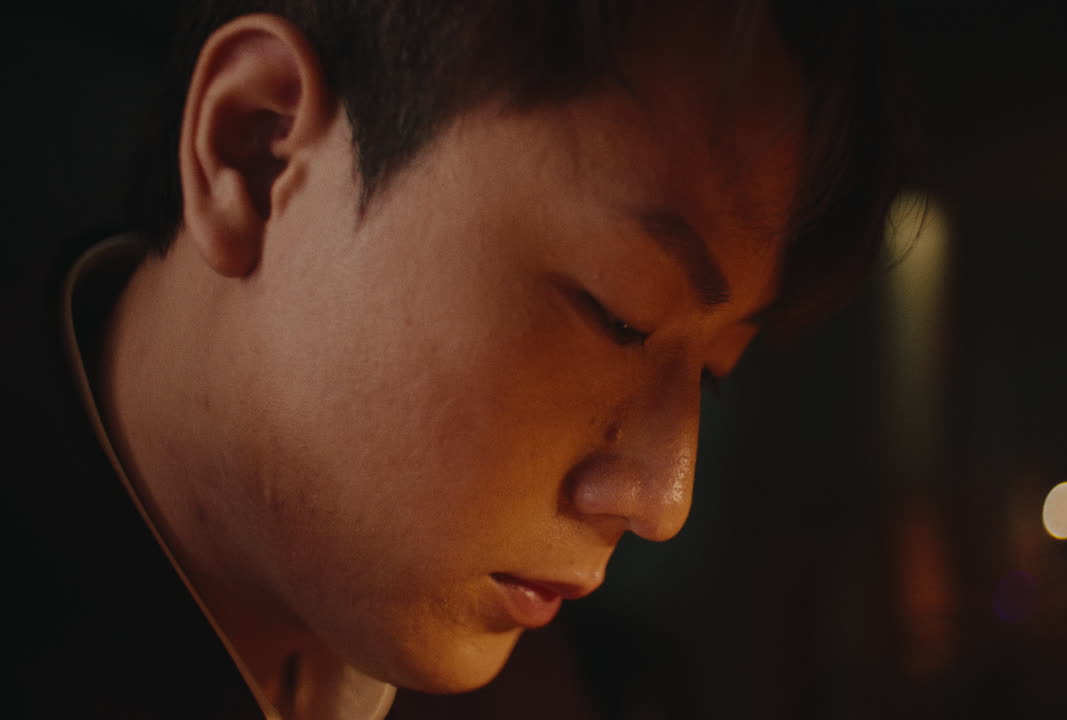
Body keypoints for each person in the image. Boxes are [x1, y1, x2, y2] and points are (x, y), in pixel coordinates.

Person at [8, 1, 898, 717]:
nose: (665, 500)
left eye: (712, 372)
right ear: (257, 147)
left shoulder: (528, 683)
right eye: (619, 316)